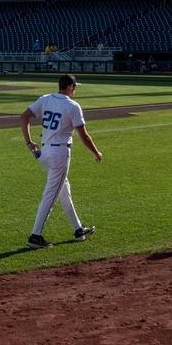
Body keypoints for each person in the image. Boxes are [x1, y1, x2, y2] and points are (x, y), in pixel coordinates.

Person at [19, 74, 102, 249]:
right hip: (59, 154)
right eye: (75, 87)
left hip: (44, 153)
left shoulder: (46, 99)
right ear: (70, 87)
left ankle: (78, 229)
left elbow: (24, 117)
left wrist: (28, 142)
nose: (75, 89)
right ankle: (35, 236)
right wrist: (96, 152)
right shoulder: (73, 106)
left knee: (64, 190)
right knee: (50, 195)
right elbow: (84, 136)